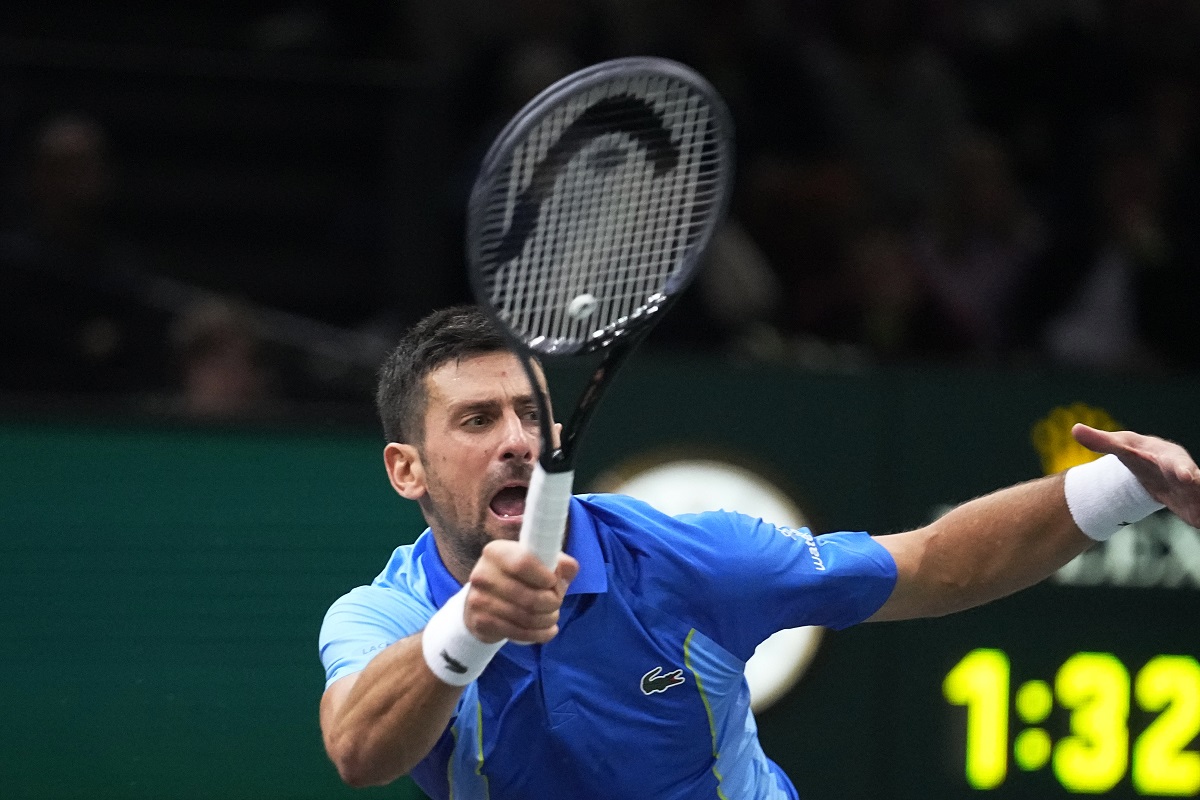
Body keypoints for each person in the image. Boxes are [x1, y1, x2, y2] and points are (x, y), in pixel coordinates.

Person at [318, 305, 1200, 799]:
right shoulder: (383, 615)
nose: (516, 440)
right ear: (408, 469)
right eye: (477, 421)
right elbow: (359, 751)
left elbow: (930, 562)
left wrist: (1123, 489)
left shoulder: (684, 559)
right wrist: (469, 627)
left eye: (528, 414)